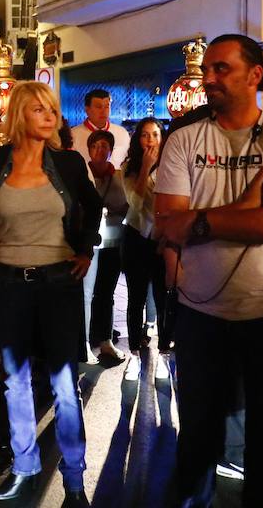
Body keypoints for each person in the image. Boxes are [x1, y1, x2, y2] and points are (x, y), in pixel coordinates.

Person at [155, 34, 263, 507]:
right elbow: (168, 224)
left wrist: (201, 219)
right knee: (198, 432)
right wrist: (247, 205)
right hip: (200, 311)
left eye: (221, 69)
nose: (208, 79)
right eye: (207, 69)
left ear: (254, 76)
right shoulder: (184, 140)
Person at [0, 81, 102, 507]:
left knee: (63, 383)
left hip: (59, 281)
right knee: (16, 383)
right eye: (39, 109)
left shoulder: (69, 163)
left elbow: (93, 207)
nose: (49, 116)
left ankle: (74, 479)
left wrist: (85, 249)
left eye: (52, 109)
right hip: (8, 282)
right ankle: (24, 467)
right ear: (20, 114)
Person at [121, 117, 169, 381]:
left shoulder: (173, 165)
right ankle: (134, 354)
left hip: (163, 238)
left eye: (155, 134)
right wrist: (145, 168)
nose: (150, 140)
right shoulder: (129, 167)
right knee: (135, 297)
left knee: (163, 297)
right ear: (138, 139)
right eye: (145, 135)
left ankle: (162, 352)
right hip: (137, 236)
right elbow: (135, 203)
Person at [86, 130, 129, 361]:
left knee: (106, 292)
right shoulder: (83, 175)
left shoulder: (119, 177)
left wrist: (115, 210)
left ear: (111, 150)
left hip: (112, 241)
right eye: (96, 146)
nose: (100, 150)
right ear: (89, 149)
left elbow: (127, 204)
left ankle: (105, 340)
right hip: (89, 243)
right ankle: (85, 338)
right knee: (85, 293)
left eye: (105, 146)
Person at [70, 89, 130, 169]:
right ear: (87, 110)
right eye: (98, 107)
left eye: (107, 106)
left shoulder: (122, 133)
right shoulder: (73, 135)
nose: (103, 111)